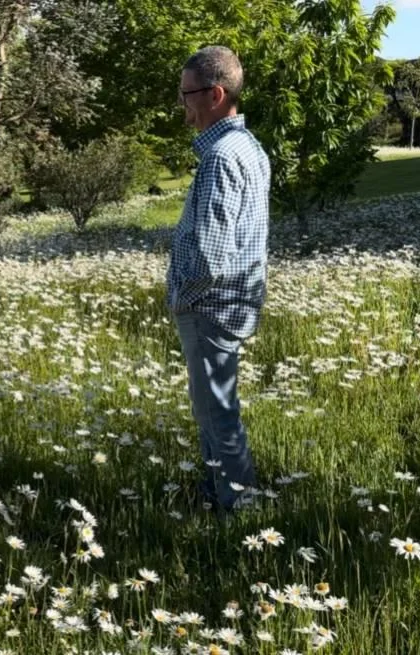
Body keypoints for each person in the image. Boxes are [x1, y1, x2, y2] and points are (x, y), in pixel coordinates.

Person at [167, 46, 270, 513]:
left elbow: (209, 254)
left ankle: (238, 512)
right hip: (230, 303)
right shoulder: (248, 147)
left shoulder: (221, 158)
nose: (182, 105)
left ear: (215, 94)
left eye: (187, 94)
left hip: (210, 307)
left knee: (218, 416)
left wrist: (181, 298)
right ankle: (215, 495)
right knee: (212, 412)